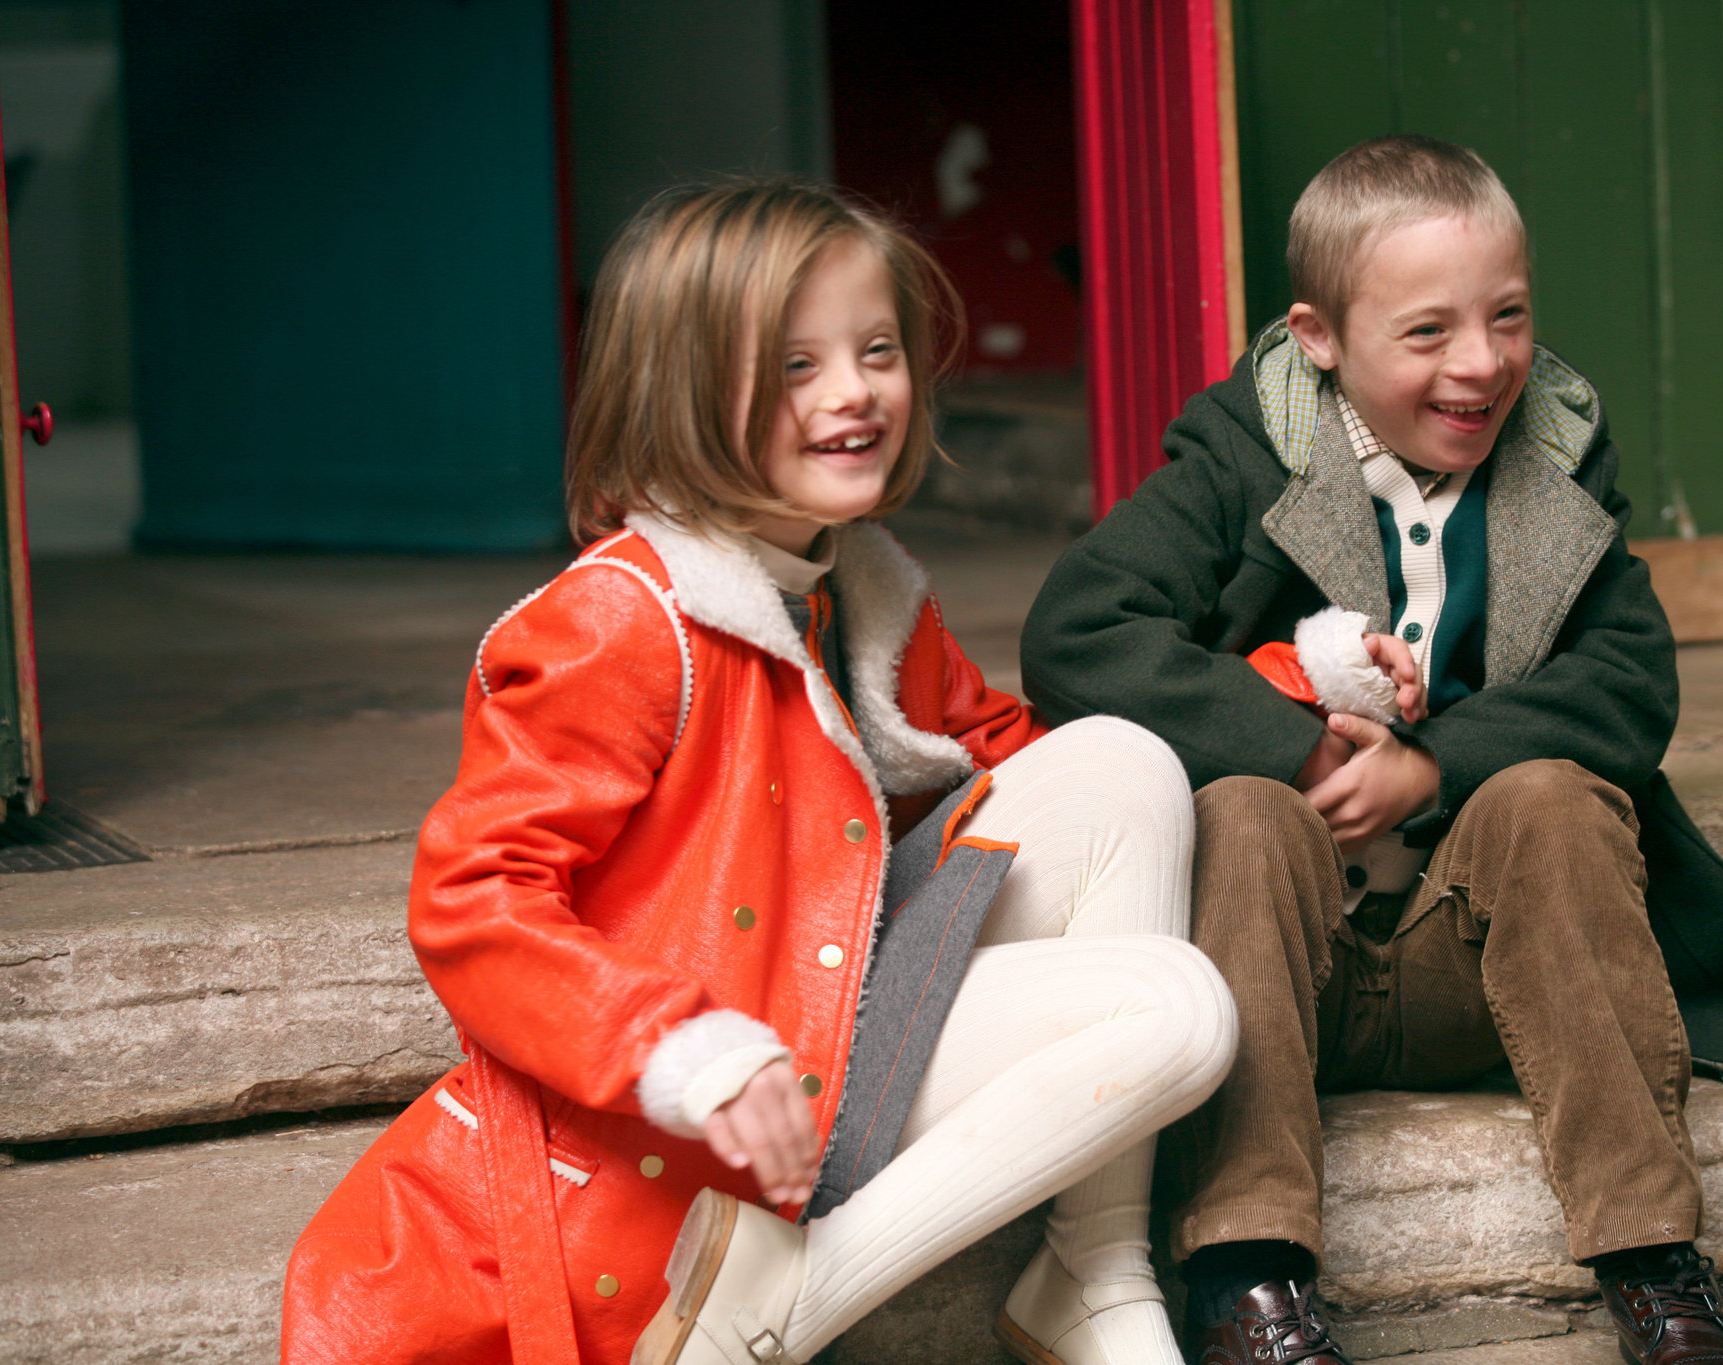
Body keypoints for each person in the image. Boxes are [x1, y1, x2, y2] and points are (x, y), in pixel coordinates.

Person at [278, 179, 1236, 1365]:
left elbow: (1023, 769)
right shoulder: (623, 624)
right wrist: (691, 1053)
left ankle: (1092, 1273)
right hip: (736, 1091)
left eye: (876, 350)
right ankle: (784, 1306)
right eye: (793, 366)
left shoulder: (864, 589)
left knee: (1125, 760)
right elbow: (474, 902)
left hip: (837, 1007)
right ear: (677, 392)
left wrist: (1297, 696)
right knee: (1176, 1008)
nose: (854, 393)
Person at [1019, 136, 1723, 1365]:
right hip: (1277, 980)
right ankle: (1245, 1277)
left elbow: (1627, 682)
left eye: (1506, 316)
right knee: (1241, 812)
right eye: (1426, 335)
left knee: (1552, 797)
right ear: (1317, 337)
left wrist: (1436, 766)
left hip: (1486, 964)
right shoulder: (1242, 454)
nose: (1480, 363)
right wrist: (1290, 746)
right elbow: (1076, 630)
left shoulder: (1554, 460)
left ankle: (1654, 1262)